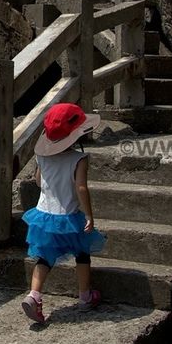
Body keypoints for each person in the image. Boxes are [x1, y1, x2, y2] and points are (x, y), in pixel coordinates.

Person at [21, 102, 106, 324]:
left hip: (43, 215)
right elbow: (81, 188)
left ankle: (34, 295)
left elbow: (39, 181)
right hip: (68, 217)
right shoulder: (79, 159)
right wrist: (89, 215)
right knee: (82, 253)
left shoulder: (43, 156)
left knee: (44, 257)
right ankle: (85, 297)